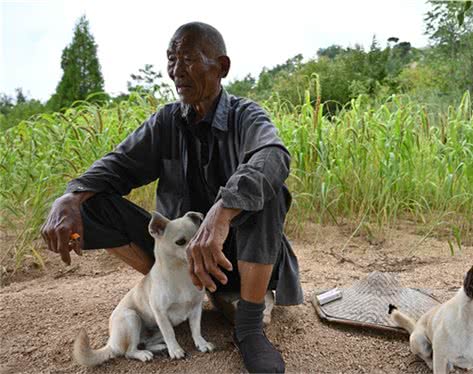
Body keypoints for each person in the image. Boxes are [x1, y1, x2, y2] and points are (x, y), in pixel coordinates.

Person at [40, 21, 302, 373]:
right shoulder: (167, 122)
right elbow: (118, 164)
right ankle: (171, 289)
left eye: (189, 59)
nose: (177, 70)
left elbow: (274, 155)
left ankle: (250, 325)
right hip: (177, 260)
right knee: (91, 202)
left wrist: (221, 212)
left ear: (221, 67)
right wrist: (69, 198)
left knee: (267, 190)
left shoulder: (246, 116)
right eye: (171, 59)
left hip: (237, 258)